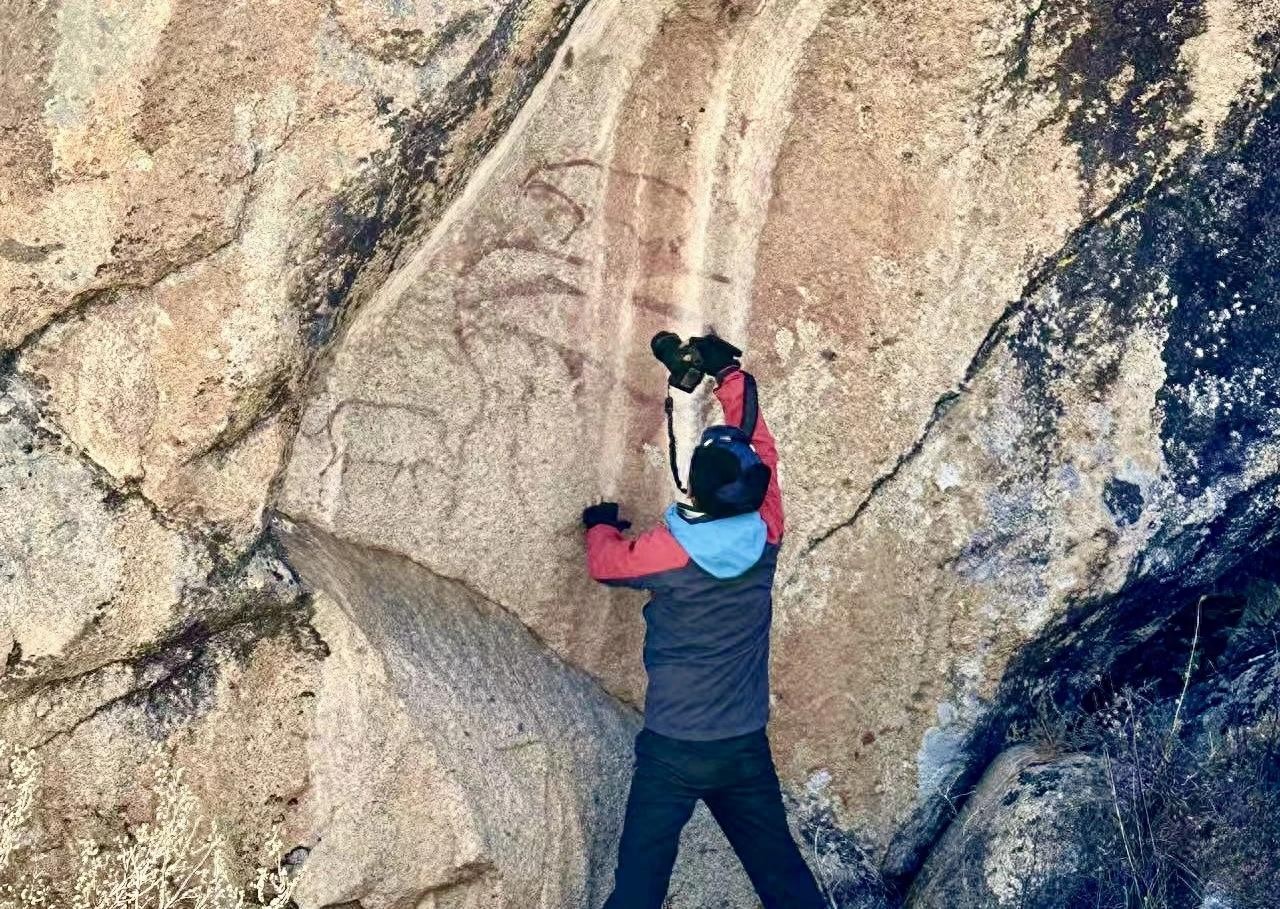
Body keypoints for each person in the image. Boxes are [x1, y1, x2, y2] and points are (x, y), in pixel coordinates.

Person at [583, 334, 827, 909]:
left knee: (640, 885)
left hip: (673, 750)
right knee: (782, 877)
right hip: (742, 747)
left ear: (696, 487)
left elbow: (605, 565)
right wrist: (730, 375)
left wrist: (601, 524)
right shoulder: (767, 531)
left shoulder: (669, 553)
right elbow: (761, 450)